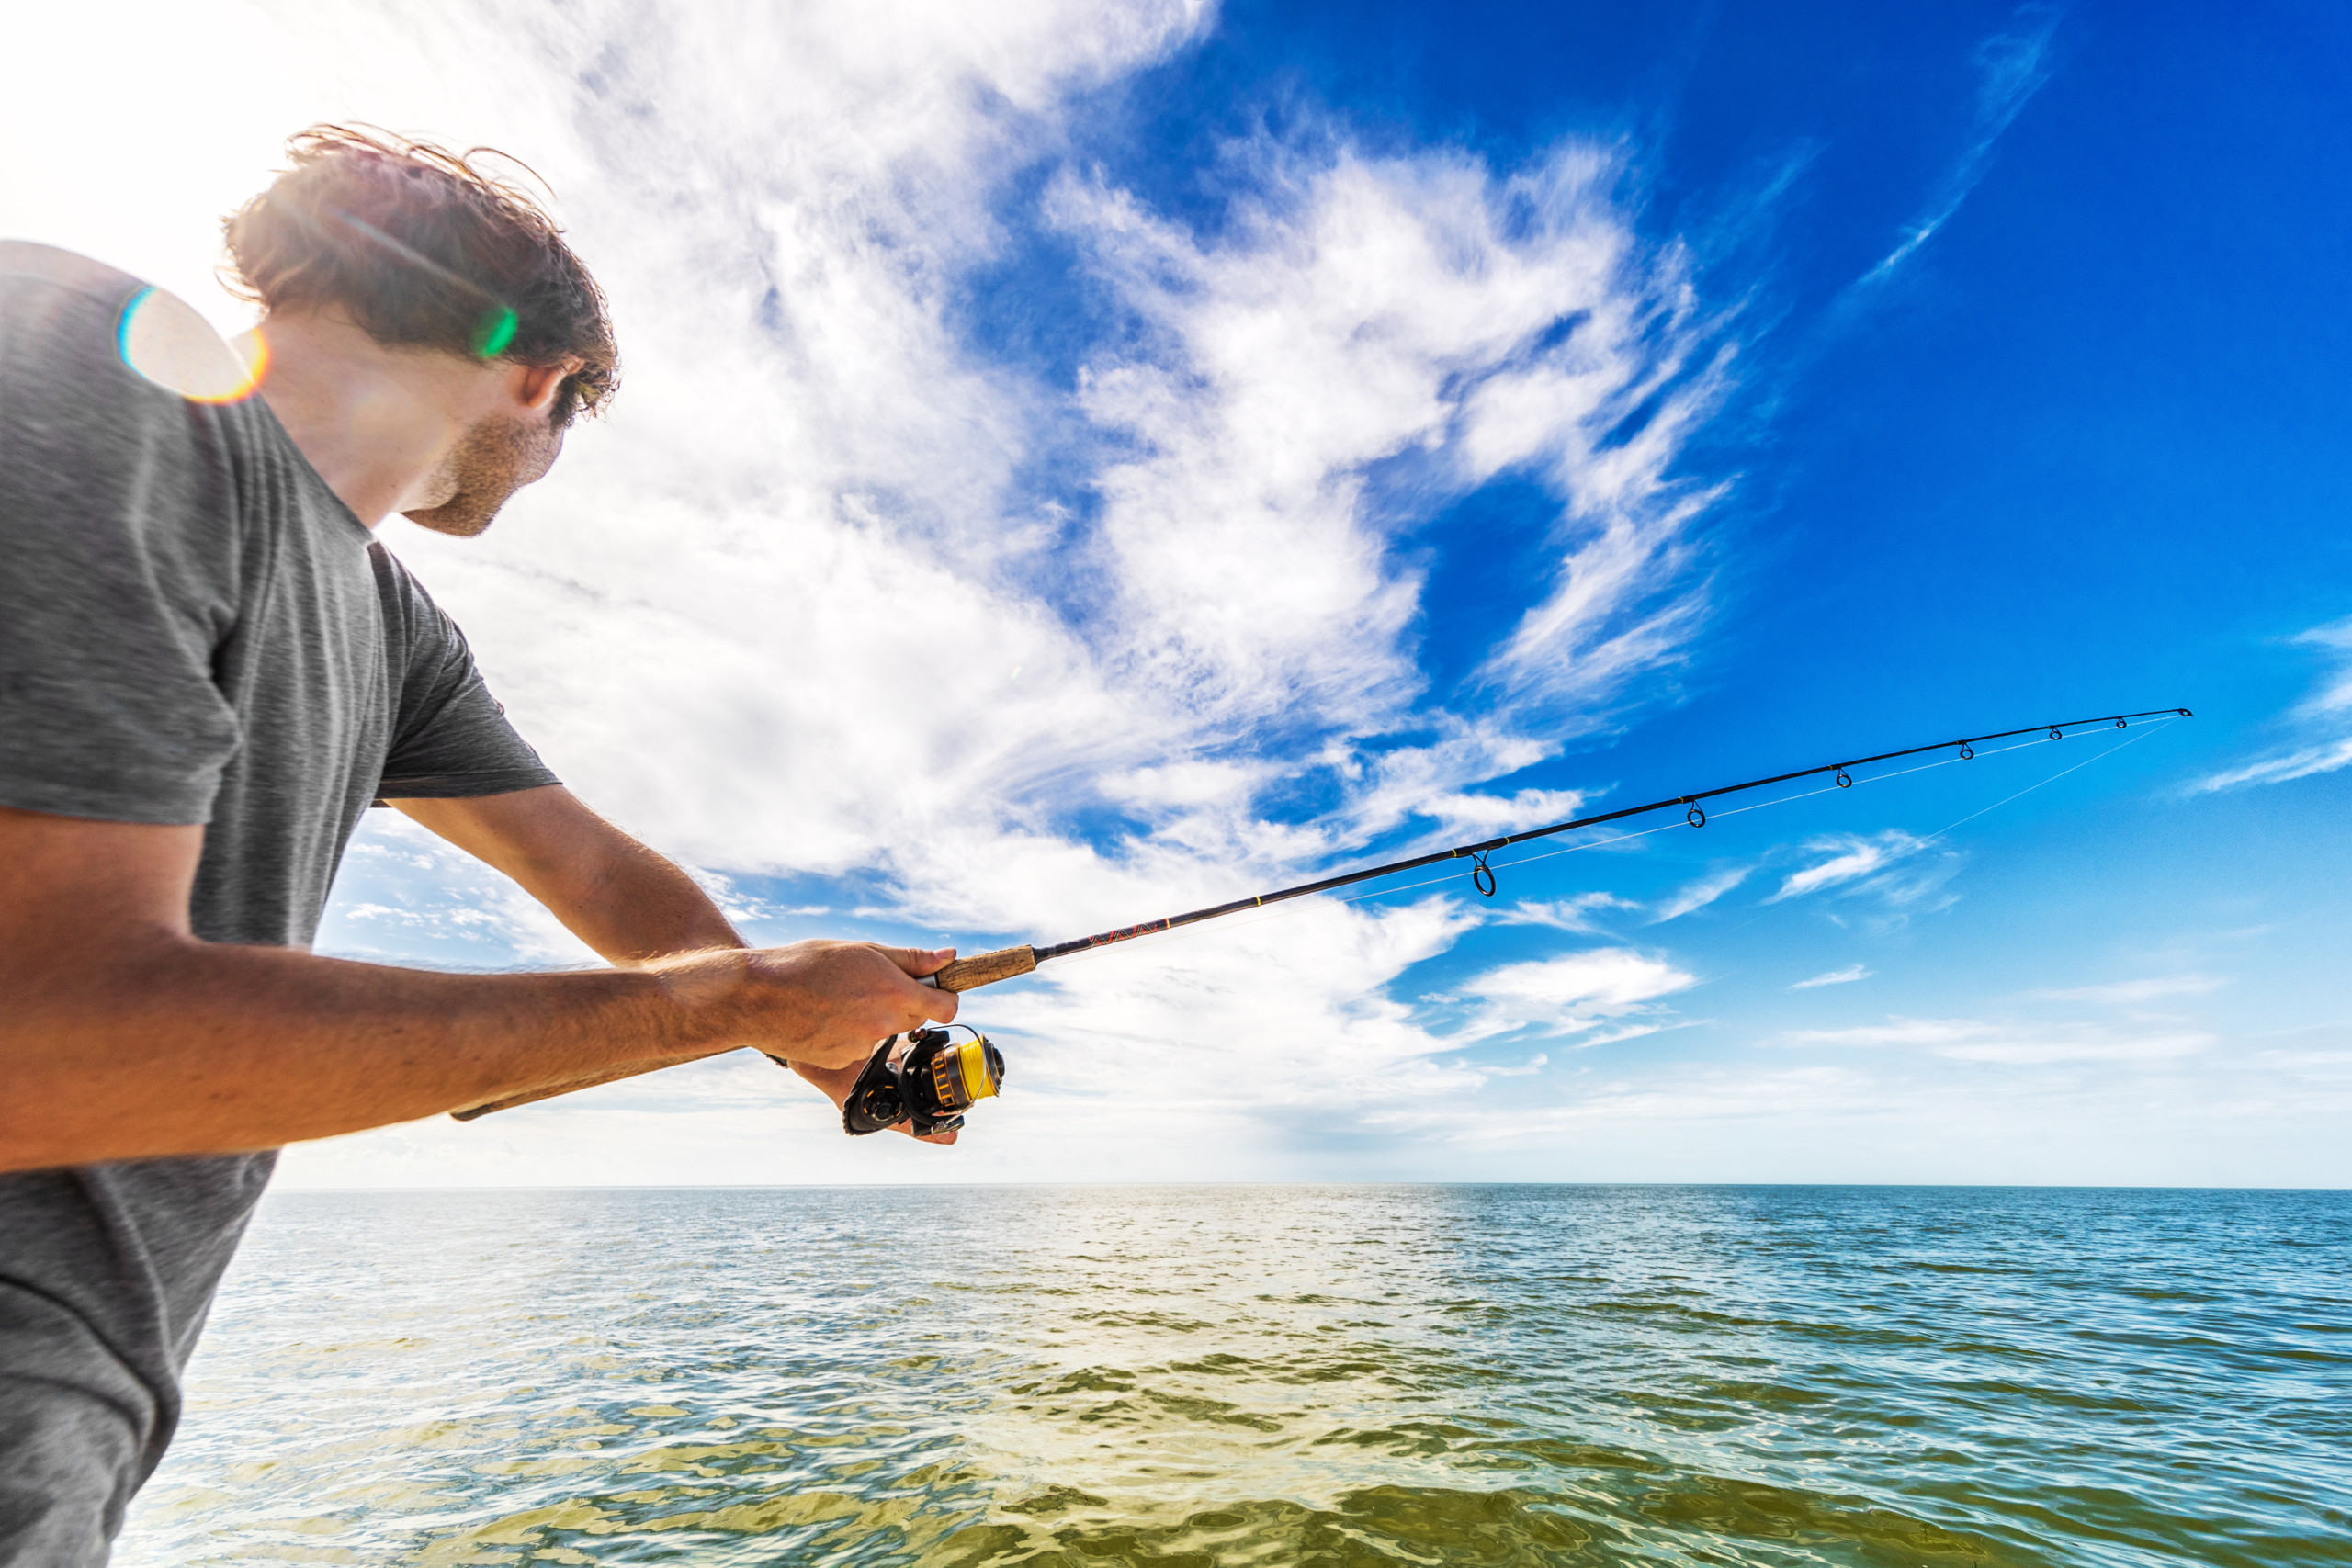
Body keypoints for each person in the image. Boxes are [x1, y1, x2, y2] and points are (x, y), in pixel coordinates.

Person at [0, 125, 962, 1564]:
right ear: (542, 376)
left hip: (80, 1410)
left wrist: (801, 1027)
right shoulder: (91, 366)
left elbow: (585, 867)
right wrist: (734, 1002)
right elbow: (39, 1037)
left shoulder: (388, 628)